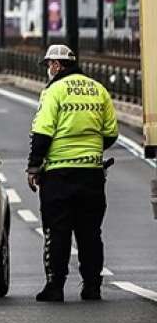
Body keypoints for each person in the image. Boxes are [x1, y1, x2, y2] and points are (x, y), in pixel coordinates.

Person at [26, 44, 118, 303]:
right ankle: (92, 287)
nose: (48, 70)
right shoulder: (98, 89)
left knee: (57, 231)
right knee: (90, 233)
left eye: (48, 65)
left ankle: (55, 287)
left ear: (56, 65)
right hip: (91, 173)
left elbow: (42, 131)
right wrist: (90, 150)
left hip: (58, 174)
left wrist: (34, 165)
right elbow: (111, 132)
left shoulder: (54, 91)